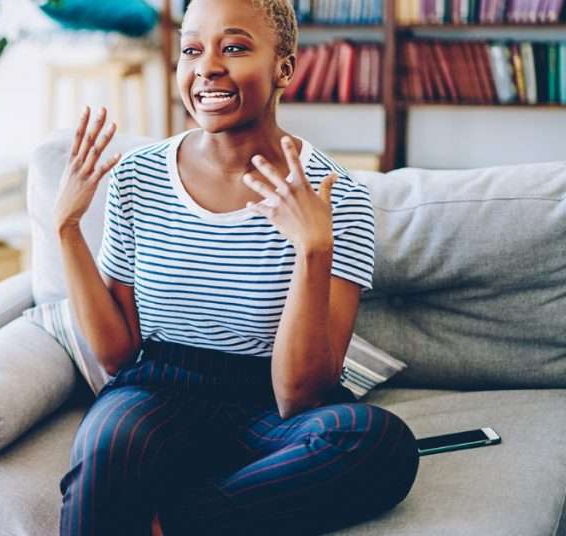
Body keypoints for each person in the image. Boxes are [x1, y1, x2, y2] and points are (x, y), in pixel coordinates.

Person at [53, 0, 419, 534]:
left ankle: (174, 522)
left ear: (284, 68)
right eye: (192, 50)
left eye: (235, 47)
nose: (207, 68)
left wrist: (313, 250)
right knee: (107, 443)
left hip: (270, 404)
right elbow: (117, 354)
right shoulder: (137, 177)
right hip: (157, 386)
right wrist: (67, 229)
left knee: (379, 443)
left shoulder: (336, 197)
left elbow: (301, 395)